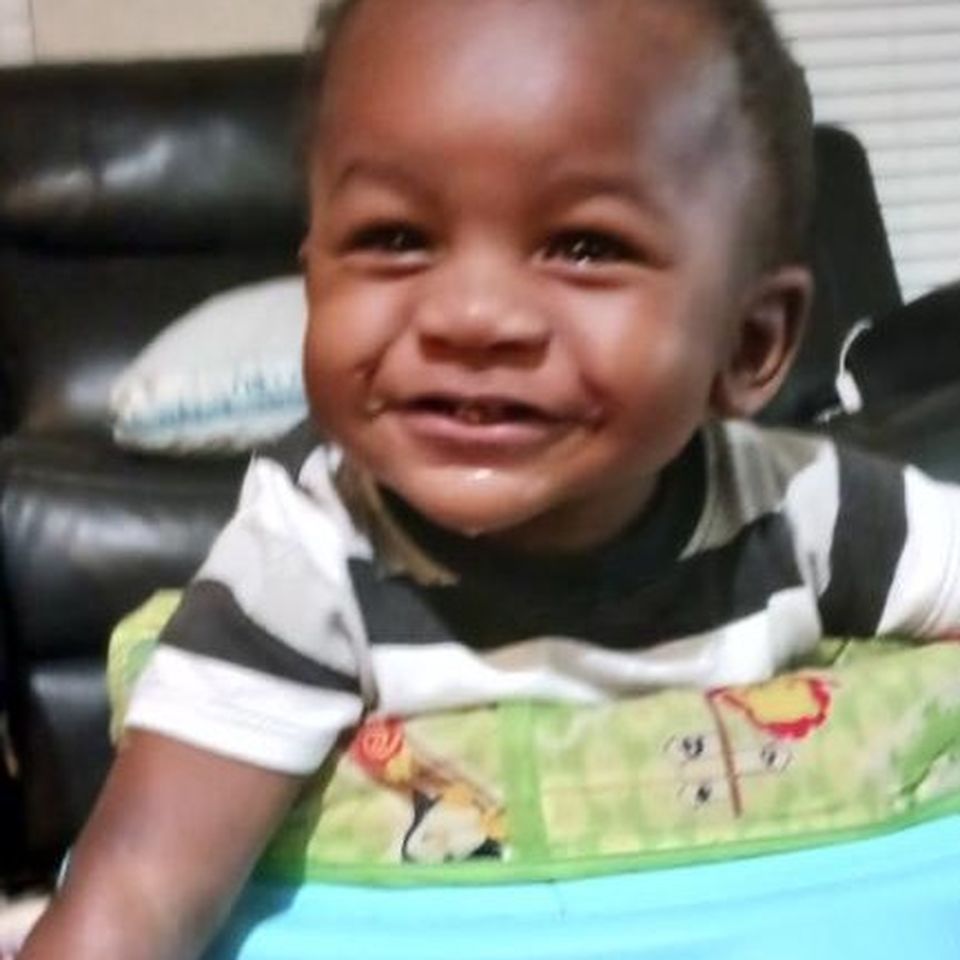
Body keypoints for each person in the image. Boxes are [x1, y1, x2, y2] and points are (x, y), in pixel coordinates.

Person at [20, 0, 960, 957]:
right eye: (396, 237)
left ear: (749, 344)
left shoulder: (805, 511)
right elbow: (139, 896)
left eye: (585, 246)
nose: (470, 316)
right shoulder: (305, 566)